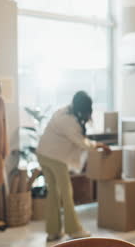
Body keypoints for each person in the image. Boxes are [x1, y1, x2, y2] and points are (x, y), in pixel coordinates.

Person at [36, 91, 110, 242]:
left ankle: (53, 231)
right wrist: (99, 145)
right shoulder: (69, 121)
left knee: (54, 193)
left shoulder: (64, 111)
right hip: (55, 158)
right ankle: (74, 230)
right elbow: (81, 142)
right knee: (66, 193)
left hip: (43, 154)